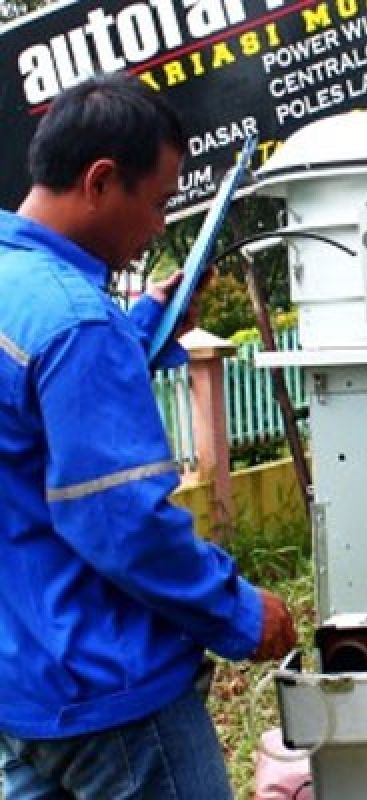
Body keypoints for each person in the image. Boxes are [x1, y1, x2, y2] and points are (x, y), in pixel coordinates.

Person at [0, 74, 297, 799]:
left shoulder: (23, 290)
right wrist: (236, 611)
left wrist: (139, 329)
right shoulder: (77, 322)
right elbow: (120, 523)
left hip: (22, 690)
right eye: (159, 202)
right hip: (114, 698)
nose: (161, 227)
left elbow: (30, 423)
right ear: (102, 181)